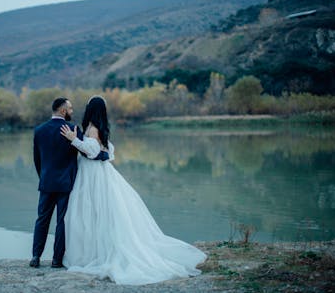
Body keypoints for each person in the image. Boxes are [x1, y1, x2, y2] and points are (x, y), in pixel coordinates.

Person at [59, 96, 207, 285]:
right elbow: (108, 153)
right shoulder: (98, 126)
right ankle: (92, 252)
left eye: (87, 106)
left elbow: (94, 152)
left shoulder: (93, 128)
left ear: (91, 109)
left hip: (93, 175)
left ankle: (96, 255)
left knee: (94, 211)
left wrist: (74, 140)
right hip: (94, 172)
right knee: (94, 212)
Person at [30, 97, 108, 269]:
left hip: (47, 182)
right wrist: (105, 155)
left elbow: (37, 160)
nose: (73, 112)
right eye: (71, 109)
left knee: (42, 219)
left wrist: (43, 177)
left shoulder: (39, 130)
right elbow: (87, 152)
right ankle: (57, 260)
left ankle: (35, 257)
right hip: (66, 183)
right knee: (61, 221)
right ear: (63, 111)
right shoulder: (72, 129)